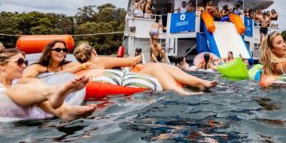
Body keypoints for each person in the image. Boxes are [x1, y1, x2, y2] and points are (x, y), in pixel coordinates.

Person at [73, 42, 216, 93]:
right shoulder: (99, 59)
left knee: (164, 67)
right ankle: (197, 84)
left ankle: (199, 83)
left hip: (128, 75)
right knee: (158, 67)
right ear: (93, 51)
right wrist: (138, 57)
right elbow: (130, 62)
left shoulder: (82, 67)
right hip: (131, 74)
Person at [23, 40, 87, 78]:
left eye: (64, 50)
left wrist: (83, 66)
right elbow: (26, 78)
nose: (62, 52)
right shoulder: (37, 67)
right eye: (57, 50)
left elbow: (88, 66)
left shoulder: (71, 65)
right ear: (49, 52)